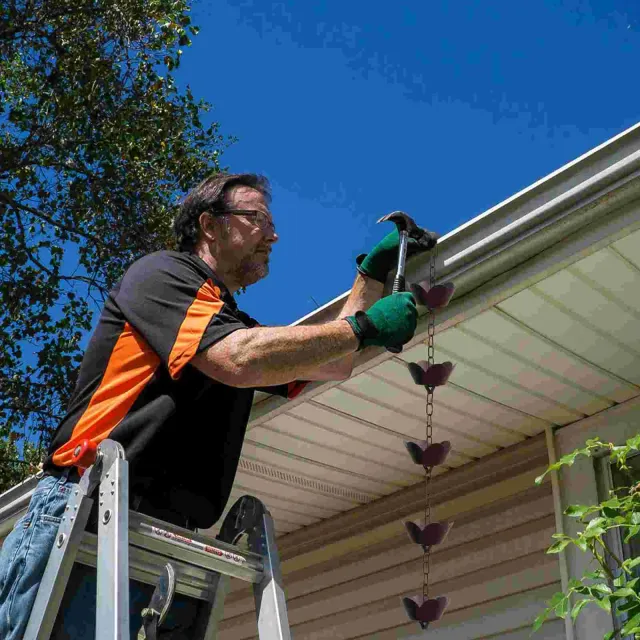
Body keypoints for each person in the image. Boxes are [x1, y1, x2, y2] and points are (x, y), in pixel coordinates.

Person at [0, 173, 427, 638]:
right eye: (257, 218)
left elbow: (333, 361)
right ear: (209, 224)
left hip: (155, 538)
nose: (273, 233)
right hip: (82, 514)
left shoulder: (227, 320)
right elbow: (237, 357)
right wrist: (363, 327)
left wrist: (368, 279)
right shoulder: (161, 275)